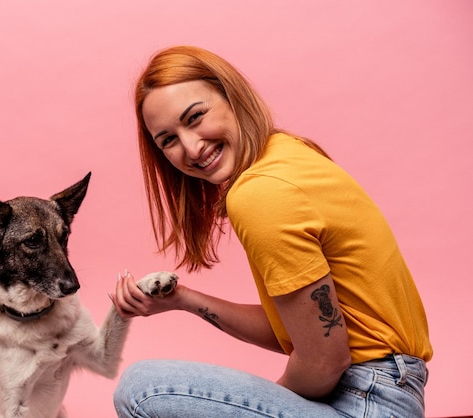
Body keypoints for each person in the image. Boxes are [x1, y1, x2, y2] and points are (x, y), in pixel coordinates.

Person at [110, 45, 432, 418]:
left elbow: (324, 361)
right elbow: (307, 331)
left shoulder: (260, 193)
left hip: (367, 403)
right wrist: (183, 299)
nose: (192, 148)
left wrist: (248, 406)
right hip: (388, 390)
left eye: (196, 117)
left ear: (233, 97)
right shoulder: (288, 152)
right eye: (168, 140)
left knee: (144, 390)